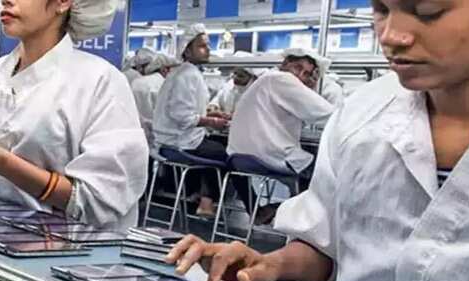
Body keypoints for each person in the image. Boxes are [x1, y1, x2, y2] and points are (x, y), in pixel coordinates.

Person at [167, 0, 469, 281]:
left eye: (428, 11)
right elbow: (324, 245)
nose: (392, 36)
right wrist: (272, 264)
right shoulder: (361, 113)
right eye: (381, 10)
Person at [0, 0, 148, 232]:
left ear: (62, 3)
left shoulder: (99, 81)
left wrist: (3, 164)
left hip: (62, 246)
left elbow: (100, 200)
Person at [226, 48, 335, 222]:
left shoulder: (268, 80)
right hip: (269, 156)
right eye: (297, 67)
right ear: (285, 64)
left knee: (311, 168)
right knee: (326, 171)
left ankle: (277, 211)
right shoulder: (282, 79)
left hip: (239, 158)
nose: (300, 75)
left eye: (307, 74)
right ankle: (301, 222)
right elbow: (327, 114)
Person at [152, 23, 230, 216]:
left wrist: (210, 115)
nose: (208, 49)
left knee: (215, 148)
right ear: (187, 50)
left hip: (170, 141)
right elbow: (183, 117)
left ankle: (200, 195)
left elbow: (186, 110)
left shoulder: (185, 73)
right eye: (202, 46)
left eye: (208, 45)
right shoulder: (186, 75)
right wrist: (212, 122)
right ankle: (207, 202)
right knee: (225, 153)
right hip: (179, 143)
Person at [131, 54, 180, 150]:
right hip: (164, 143)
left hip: (137, 140)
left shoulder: (136, 82)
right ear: (165, 70)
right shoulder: (168, 85)